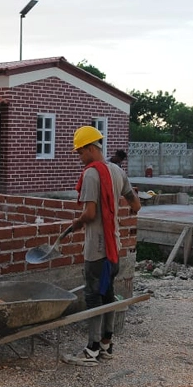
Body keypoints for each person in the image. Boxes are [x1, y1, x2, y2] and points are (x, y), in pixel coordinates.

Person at [64, 126, 141, 366]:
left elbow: (89, 212)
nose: (80, 157)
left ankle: (92, 349)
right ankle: (107, 345)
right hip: (113, 247)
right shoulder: (117, 170)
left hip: (97, 250)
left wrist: (77, 223)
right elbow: (136, 205)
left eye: (80, 152)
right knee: (108, 294)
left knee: (93, 296)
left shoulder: (91, 174)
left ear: (90, 148)